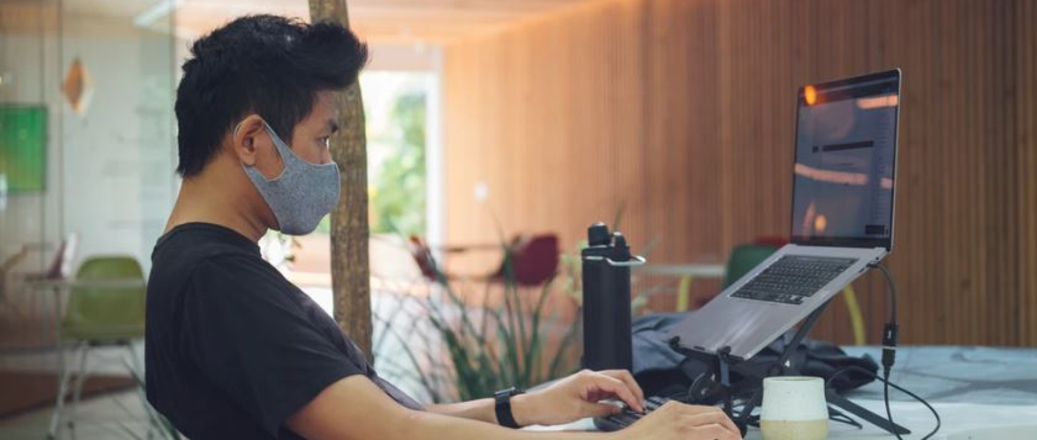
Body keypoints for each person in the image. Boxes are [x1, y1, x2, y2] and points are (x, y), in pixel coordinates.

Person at [145, 14, 740, 440]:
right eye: (322, 139)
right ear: (251, 141)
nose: (329, 164)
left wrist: (528, 407)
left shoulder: (204, 266)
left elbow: (390, 415)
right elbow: (393, 432)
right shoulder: (215, 280)